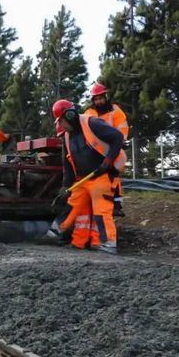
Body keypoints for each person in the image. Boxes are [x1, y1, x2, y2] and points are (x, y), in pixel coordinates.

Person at [47, 99, 126, 254]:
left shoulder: (92, 123)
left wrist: (108, 161)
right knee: (71, 206)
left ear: (69, 115)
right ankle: (55, 233)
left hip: (101, 175)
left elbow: (117, 137)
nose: (62, 125)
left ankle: (108, 243)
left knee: (101, 210)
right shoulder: (68, 137)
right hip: (82, 179)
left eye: (62, 121)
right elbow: (67, 163)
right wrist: (66, 185)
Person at [83, 83, 128, 216]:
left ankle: (117, 204)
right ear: (93, 100)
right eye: (96, 99)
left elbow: (122, 128)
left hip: (113, 147)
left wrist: (121, 141)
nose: (99, 101)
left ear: (106, 97)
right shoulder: (89, 113)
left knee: (113, 173)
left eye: (101, 98)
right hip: (95, 150)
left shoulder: (115, 110)